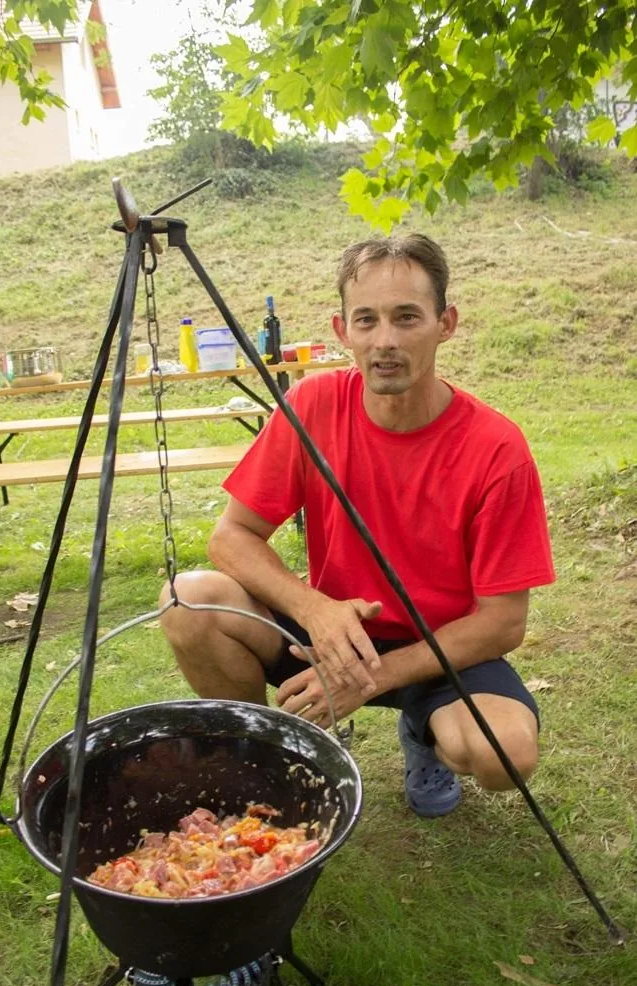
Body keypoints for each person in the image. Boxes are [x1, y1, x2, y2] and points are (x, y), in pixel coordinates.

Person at [160, 235, 556, 818]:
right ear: (341, 329)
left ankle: (425, 735)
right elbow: (231, 537)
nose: (385, 341)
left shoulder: (497, 448)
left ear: (445, 324)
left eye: (406, 318)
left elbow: (503, 621)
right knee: (185, 601)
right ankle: (268, 749)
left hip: (439, 647)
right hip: (330, 632)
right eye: (366, 320)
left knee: (505, 756)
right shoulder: (313, 405)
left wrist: (372, 678)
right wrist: (316, 609)